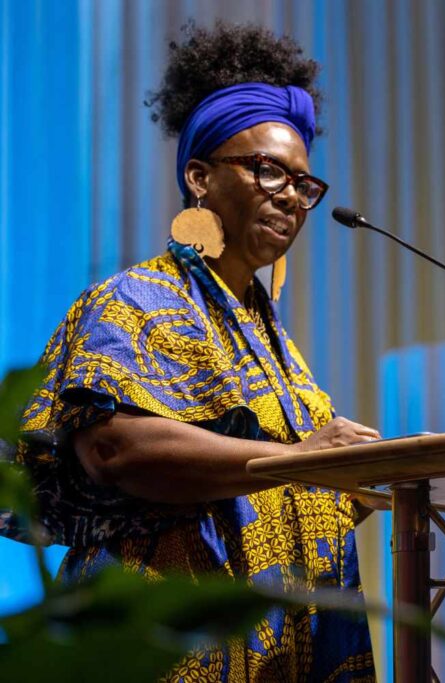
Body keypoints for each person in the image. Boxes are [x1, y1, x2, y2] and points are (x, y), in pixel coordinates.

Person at [4, 23, 378, 682]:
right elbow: (113, 448)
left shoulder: (277, 348)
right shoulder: (133, 302)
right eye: (268, 170)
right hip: (158, 648)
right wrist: (297, 458)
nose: (290, 195)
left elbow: (260, 489)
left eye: (303, 183)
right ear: (199, 177)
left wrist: (357, 483)